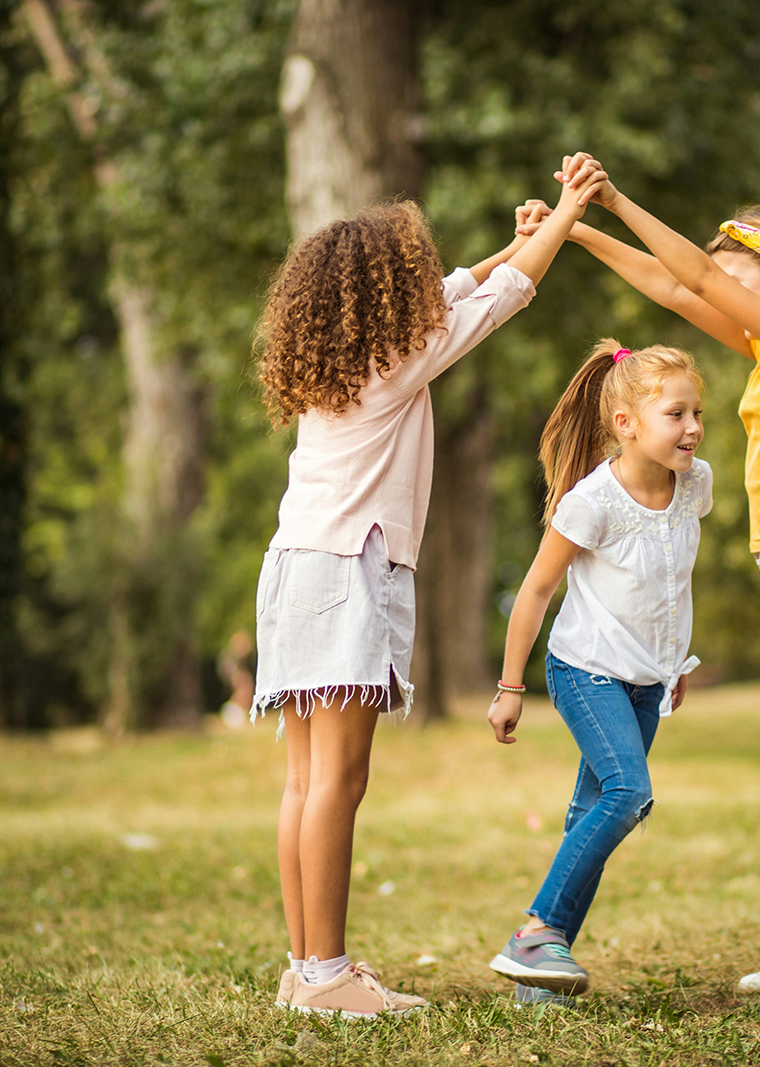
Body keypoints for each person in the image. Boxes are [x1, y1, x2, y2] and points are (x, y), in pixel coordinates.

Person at [533, 152, 760, 1002]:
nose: (719, 270)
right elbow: (674, 290)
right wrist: (575, 224)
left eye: (739, 260)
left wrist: (618, 193)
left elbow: (693, 272)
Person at [252, 165, 606, 1019]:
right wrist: (563, 216)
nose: (429, 284)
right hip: (346, 570)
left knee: (305, 781)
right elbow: (509, 292)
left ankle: (307, 970)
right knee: (341, 778)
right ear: (384, 295)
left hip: (295, 565)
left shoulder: (342, 361)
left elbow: (470, 282)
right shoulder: (399, 357)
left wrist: (522, 238)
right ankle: (328, 975)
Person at [485, 341, 711, 1012]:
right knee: (627, 794)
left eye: (699, 413)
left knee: (593, 816)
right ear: (626, 423)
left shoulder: (695, 483)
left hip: (644, 680)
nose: (694, 427)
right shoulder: (594, 501)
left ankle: (538, 983)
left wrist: (675, 663)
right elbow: (534, 591)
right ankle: (534, 932)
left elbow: (668, 583)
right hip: (584, 671)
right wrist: (509, 687)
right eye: (677, 414)